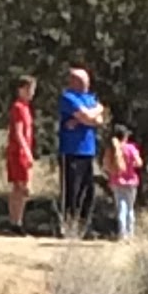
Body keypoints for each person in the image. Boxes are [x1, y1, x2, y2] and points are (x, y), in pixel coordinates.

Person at [57, 67, 105, 233]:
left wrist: (85, 118)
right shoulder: (68, 97)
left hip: (88, 151)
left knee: (88, 191)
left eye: (87, 80)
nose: (86, 83)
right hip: (71, 150)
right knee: (72, 190)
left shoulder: (90, 98)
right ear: (74, 82)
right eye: (82, 81)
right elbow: (89, 117)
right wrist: (94, 112)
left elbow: (99, 120)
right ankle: (67, 226)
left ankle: (82, 226)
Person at [4, 76, 36, 231]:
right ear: (20, 90)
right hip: (18, 153)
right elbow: (18, 132)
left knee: (20, 188)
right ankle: (15, 221)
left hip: (24, 151)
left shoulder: (26, 108)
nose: (31, 93)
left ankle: (17, 221)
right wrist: (27, 151)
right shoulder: (17, 107)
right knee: (21, 187)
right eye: (28, 89)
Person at [105, 123, 143, 239]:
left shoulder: (112, 149)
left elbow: (106, 166)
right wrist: (131, 164)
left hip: (117, 182)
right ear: (125, 136)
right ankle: (131, 233)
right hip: (131, 182)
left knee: (121, 207)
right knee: (130, 207)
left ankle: (122, 234)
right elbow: (139, 163)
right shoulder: (131, 148)